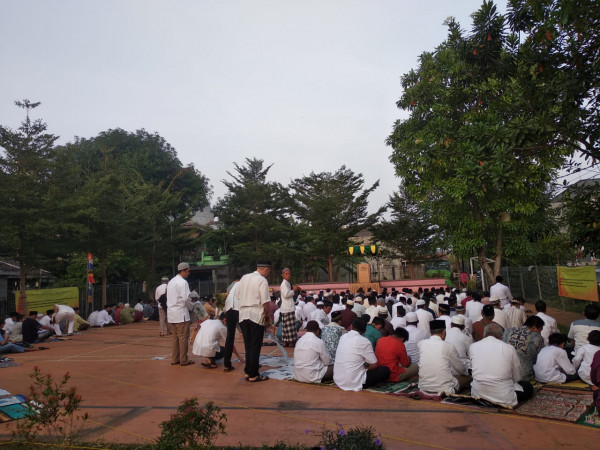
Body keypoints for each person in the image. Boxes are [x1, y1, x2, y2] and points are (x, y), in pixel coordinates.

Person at [470, 323, 534, 408]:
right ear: (501, 337)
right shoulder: (509, 348)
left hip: (477, 394)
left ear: (484, 335)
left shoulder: (473, 346)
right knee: (528, 387)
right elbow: (517, 377)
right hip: (503, 397)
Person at [237, 261, 272, 382]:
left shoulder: (244, 278)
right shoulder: (262, 280)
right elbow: (265, 301)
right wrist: (267, 314)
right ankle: (253, 374)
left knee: (248, 345)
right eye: (269, 271)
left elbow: (238, 296)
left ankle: (248, 371)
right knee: (255, 345)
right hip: (256, 314)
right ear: (266, 269)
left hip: (243, 315)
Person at [333, 317, 390, 391]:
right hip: (354, 382)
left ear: (352, 326)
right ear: (364, 330)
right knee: (385, 370)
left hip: (338, 379)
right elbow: (374, 364)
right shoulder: (364, 341)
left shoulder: (343, 337)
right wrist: (366, 369)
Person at [417, 320, 471, 395]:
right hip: (445, 390)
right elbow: (460, 368)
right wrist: (466, 373)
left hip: (423, 387)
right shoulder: (448, 346)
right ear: (444, 332)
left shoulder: (421, 344)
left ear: (430, 332)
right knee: (468, 378)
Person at [167, 262, 194, 367]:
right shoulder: (183, 282)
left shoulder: (171, 282)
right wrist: (191, 307)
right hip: (181, 313)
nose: (189, 273)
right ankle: (183, 359)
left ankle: (175, 358)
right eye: (188, 271)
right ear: (183, 271)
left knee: (175, 337)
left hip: (172, 314)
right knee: (183, 337)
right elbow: (185, 299)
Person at [503, 315, 545, 381]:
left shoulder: (508, 331)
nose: (540, 333)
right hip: (523, 376)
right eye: (540, 330)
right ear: (534, 328)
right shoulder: (536, 337)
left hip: (504, 372)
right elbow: (536, 360)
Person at [223, 274, 241, 372]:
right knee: (248, 336)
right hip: (238, 309)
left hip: (229, 309)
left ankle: (227, 364)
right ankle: (252, 362)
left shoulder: (231, 286)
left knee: (229, 337)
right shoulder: (243, 284)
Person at [279, 268, 297, 347]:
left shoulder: (287, 283)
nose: (288, 275)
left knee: (287, 326)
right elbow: (286, 295)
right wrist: (294, 290)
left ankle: (286, 341)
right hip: (287, 308)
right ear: (282, 275)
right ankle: (289, 342)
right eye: (286, 274)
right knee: (288, 326)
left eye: (289, 273)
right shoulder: (283, 284)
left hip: (288, 307)